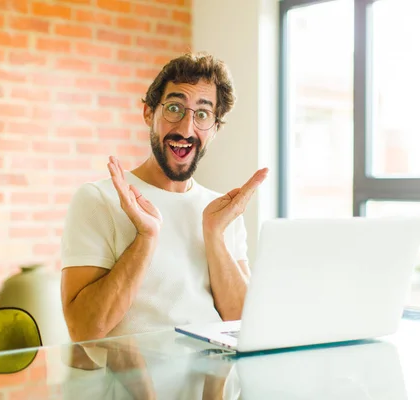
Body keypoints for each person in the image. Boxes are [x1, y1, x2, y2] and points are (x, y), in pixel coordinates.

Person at [60, 52, 268, 342]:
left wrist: (215, 234)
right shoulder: (98, 199)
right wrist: (146, 238)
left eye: (203, 114)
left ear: (215, 128)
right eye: (174, 108)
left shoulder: (222, 212)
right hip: (131, 384)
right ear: (148, 113)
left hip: (210, 383)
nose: (186, 128)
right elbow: (83, 329)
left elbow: (244, 324)